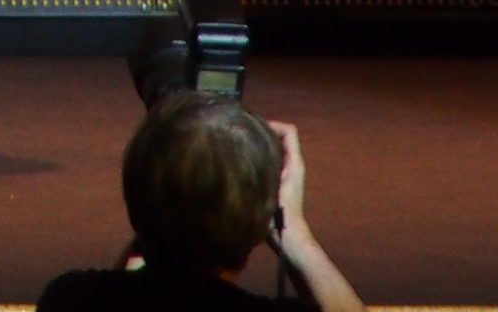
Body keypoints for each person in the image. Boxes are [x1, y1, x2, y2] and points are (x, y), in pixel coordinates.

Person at [37, 96, 364, 312]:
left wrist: (158, 211)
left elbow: (124, 294)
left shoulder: (68, 299)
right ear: (265, 216)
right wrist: (297, 237)